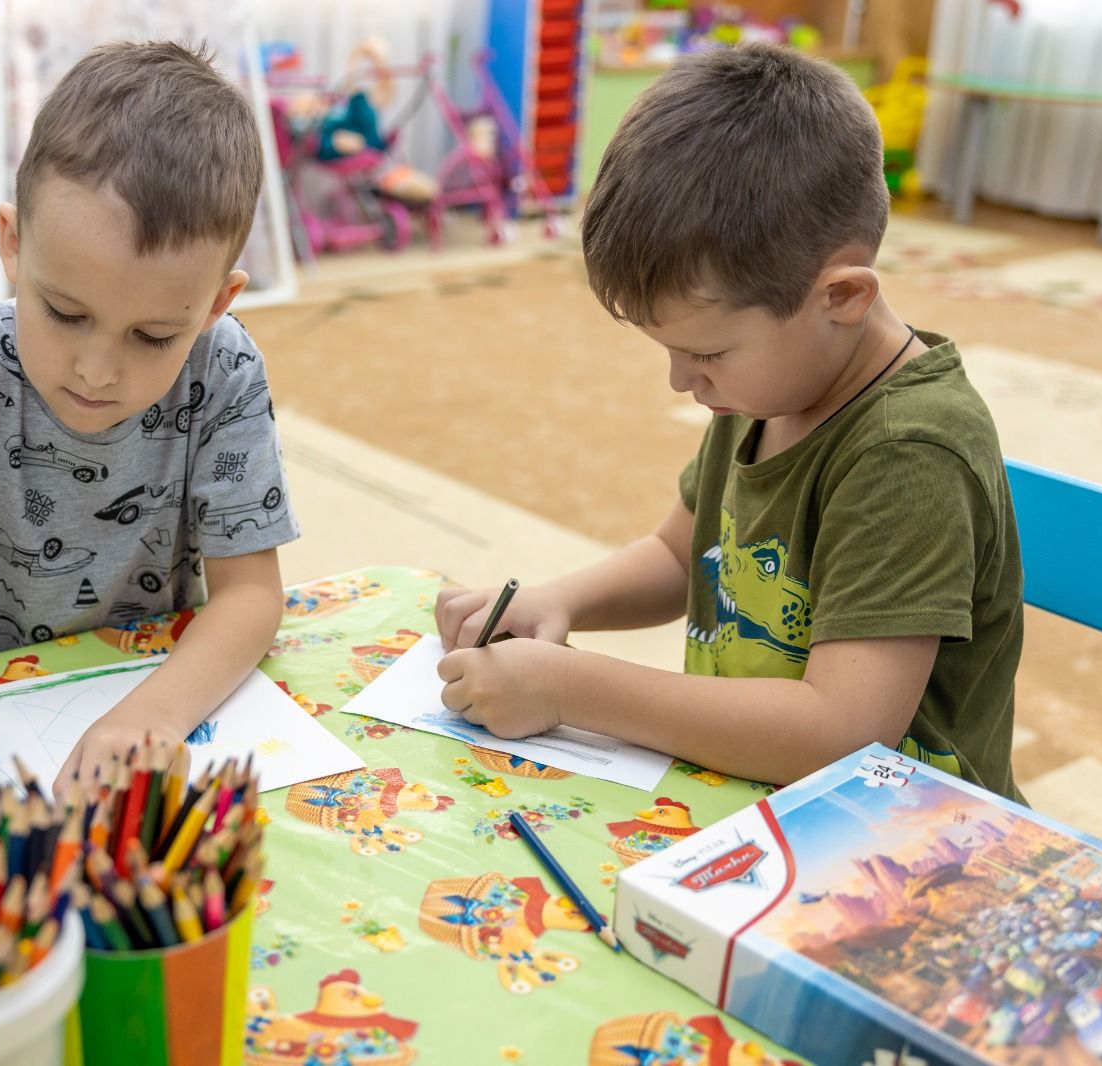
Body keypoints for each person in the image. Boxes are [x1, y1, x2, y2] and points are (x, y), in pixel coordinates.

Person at [437, 43, 1024, 799]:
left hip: (908, 838)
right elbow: (684, 558)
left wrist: (570, 688)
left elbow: (839, 731)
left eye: (705, 352)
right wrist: (561, 601)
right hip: (756, 794)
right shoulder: (765, 385)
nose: (683, 381)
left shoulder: (909, 451)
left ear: (841, 297)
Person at [0, 41, 296, 796]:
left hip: (152, 701)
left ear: (216, 304)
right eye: (66, 313)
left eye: (154, 336)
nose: (98, 370)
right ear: (12, 243)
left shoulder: (224, 367)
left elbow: (251, 594)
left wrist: (156, 717)